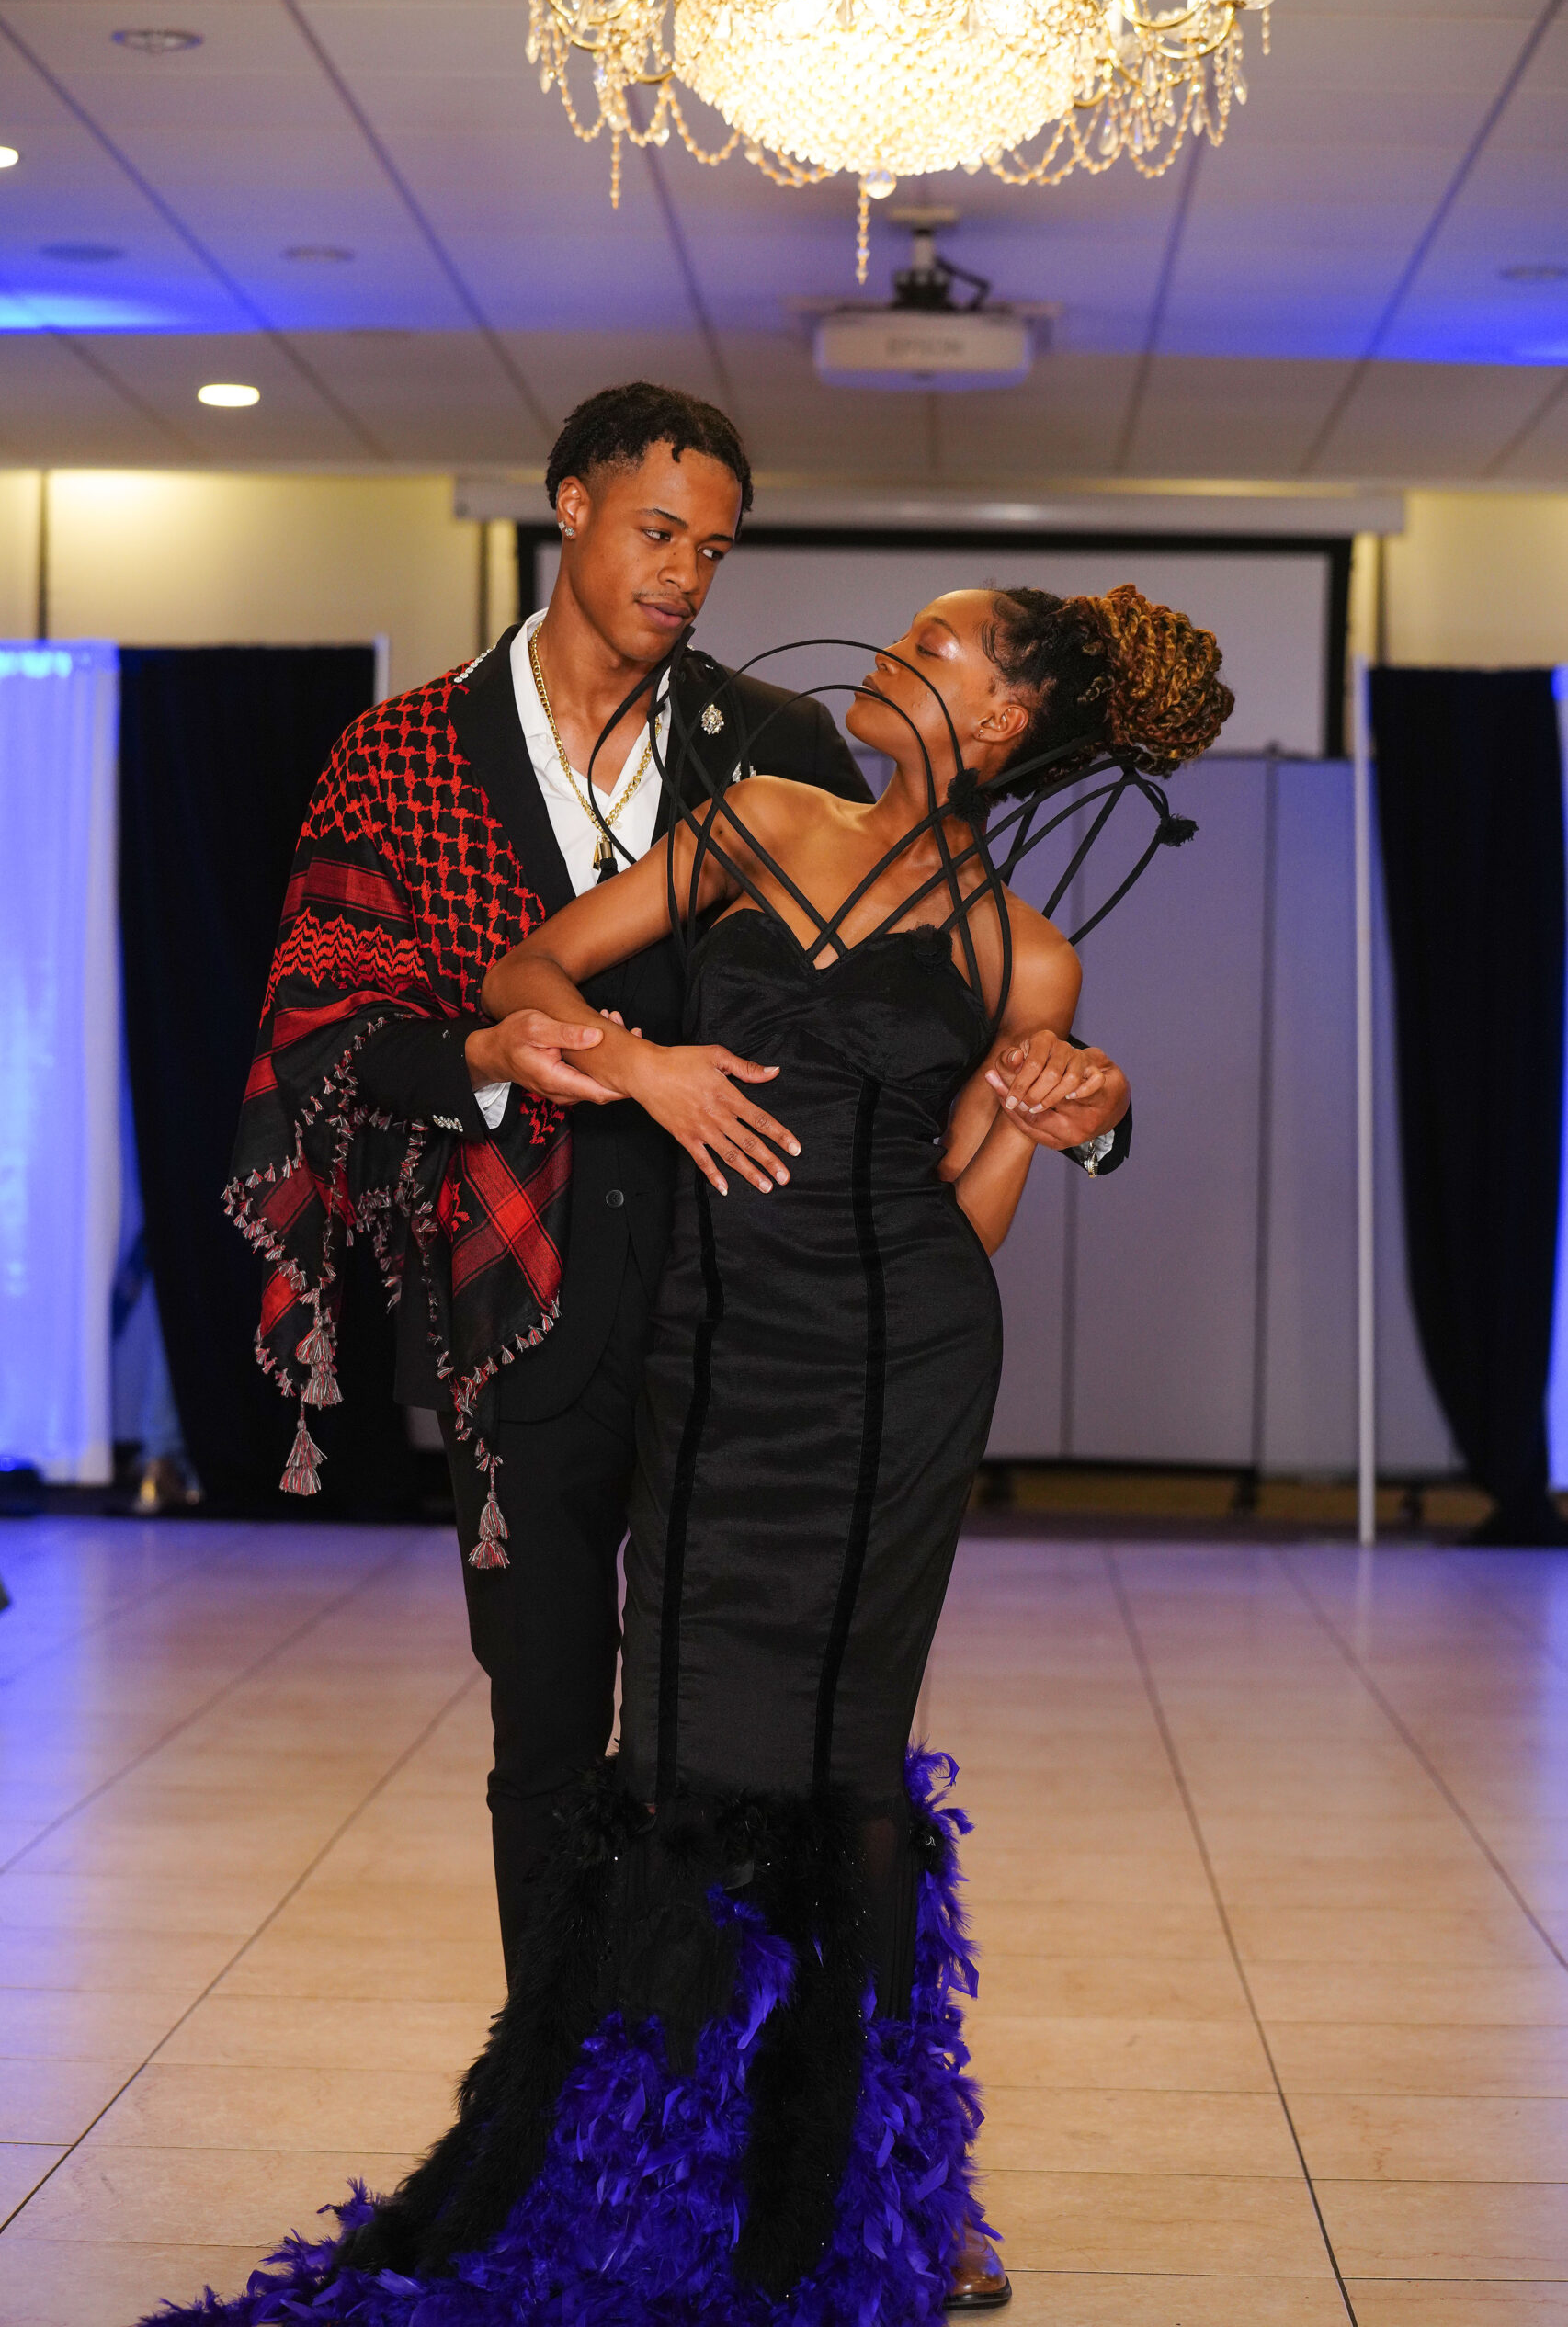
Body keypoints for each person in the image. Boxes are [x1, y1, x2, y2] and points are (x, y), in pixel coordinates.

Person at [162, 576, 1229, 2327]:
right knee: (665, 1758)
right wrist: (640, 1062)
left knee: (850, 1774)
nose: (892, 651)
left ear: (1004, 715)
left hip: (899, 1366)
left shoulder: (1029, 956)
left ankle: (875, 2191)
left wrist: (1044, 1120)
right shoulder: (762, 816)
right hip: (711, 1348)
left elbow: (961, 1208)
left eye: (936, 645)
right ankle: (633, 2173)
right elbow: (526, 968)